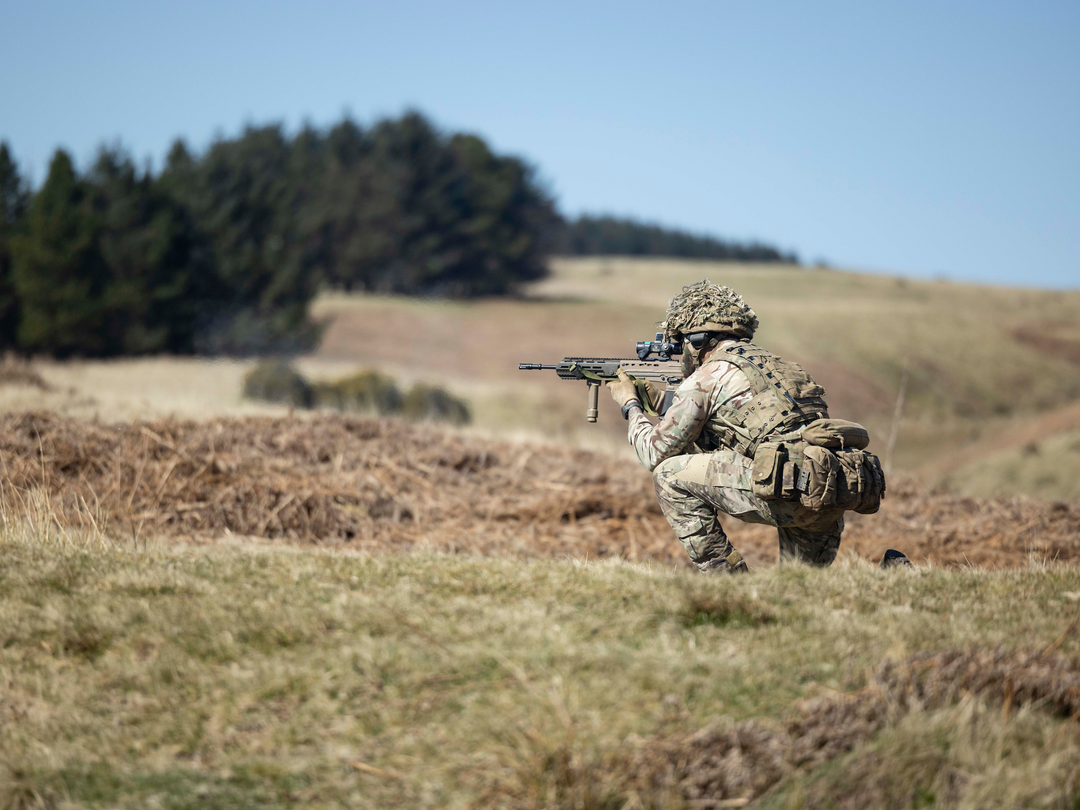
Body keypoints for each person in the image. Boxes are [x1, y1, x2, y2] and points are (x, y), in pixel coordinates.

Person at [607, 279, 852, 574]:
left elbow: (653, 453)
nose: (679, 350)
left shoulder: (707, 375)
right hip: (827, 493)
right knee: (800, 588)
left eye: (680, 342)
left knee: (668, 475)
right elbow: (747, 423)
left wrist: (630, 405)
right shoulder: (779, 367)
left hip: (782, 491)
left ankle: (727, 578)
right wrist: (662, 401)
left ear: (697, 340)